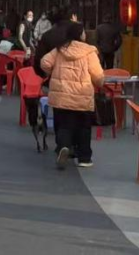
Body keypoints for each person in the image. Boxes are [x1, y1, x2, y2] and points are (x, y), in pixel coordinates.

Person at [41, 21, 105, 169]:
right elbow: (98, 75)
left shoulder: (59, 49)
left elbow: (44, 62)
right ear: (80, 35)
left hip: (62, 96)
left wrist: (53, 72)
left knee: (64, 125)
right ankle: (84, 158)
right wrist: (100, 82)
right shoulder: (89, 52)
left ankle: (64, 147)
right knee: (84, 128)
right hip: (82, 96)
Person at [33, 10, 76, 78]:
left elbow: (38, 61)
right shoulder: (76, 36)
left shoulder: (47, 35)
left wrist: (48, 75)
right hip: (75, 78)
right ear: (73, 17)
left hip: (52, 78)